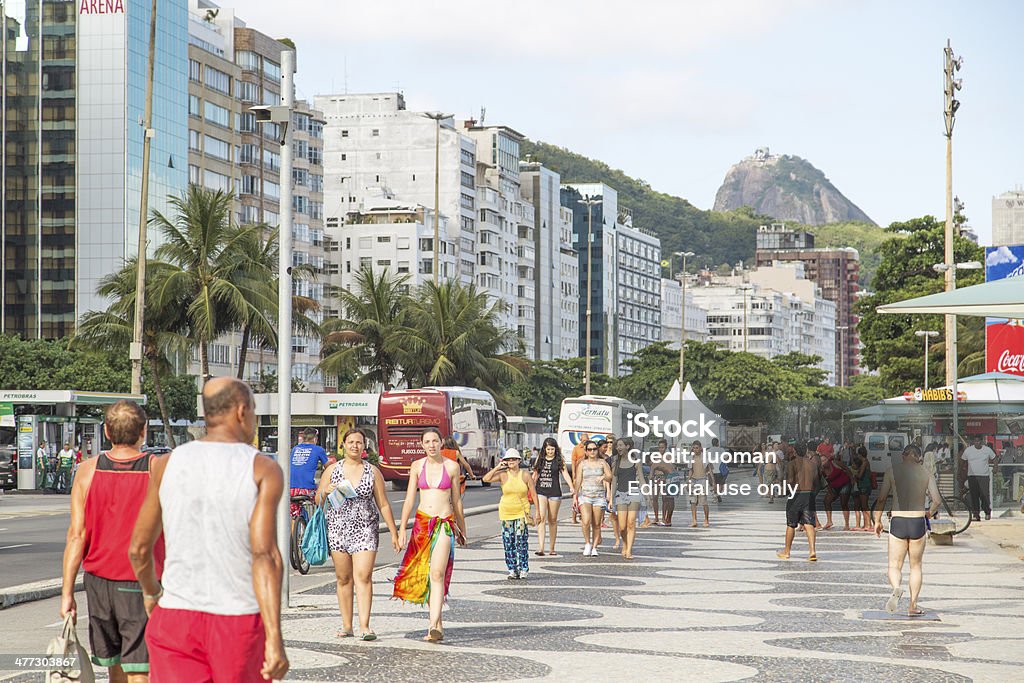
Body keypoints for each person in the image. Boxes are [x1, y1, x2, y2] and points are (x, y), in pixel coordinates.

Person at [129, 377, 289, 683]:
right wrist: (274, 638)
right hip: (238, 618)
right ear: (242, 411)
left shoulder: (166, 464)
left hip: (175, 618)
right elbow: (265, 555)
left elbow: (138, 548)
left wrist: (151, 593)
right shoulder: (261, 469)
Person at [61, 401, 164, 682]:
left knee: (114, 665)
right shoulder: (157, 471)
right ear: (143, 431)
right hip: (141, 580)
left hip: (98, 583)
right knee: (140, 668)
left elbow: (76, 535)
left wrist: (67, 592)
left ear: (106, 431)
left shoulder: (87, 471)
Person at [316, 428, 400, 641]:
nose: (355, 446)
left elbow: (383, 503)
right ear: (343, 445)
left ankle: (364, 626)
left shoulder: (372, 471)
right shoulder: (332, 470)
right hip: (337, 528)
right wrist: (324, 492)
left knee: (363, 576)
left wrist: (394, 532)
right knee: (343, 578)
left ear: (364, 447)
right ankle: (347, 625)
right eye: (351, 442)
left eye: (359, 442)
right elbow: (319, 500)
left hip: (365, 529)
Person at [392, 428, 467, 642]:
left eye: (435, 440)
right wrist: (401, 528)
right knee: (425, 574)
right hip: (422, 524)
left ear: (442, 442)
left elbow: (457, 500)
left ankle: (433, 625)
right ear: (422, 445)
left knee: (436, 573)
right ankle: (438, 623)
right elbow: (409, 499)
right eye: (427, 441)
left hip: (443, 523)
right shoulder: (417, 466)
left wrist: (462, 528)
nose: (432, 445)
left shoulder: (451, 466)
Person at [873, 444, 941, 616]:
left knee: (894, 565)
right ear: (918, 457)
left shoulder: (891, 471)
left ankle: (896, 588)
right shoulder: (926, 473)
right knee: (916, 566)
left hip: (898, 521)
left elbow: (881, 498)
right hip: (917, 520)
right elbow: (937, 501)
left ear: (903, 455)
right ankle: (913, 606)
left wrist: (877, 520)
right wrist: (929, 513)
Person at [484, 448, 536, 579]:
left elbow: (534, 494)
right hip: (506, 512)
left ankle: (524, 567)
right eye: (508, 459)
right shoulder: (503, 475)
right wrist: (498, 466)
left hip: (522, 512)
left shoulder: (525, 475)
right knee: (508, 542)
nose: (511, 461)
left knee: (521, 540)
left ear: (519, 460)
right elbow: (486, 478)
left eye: (513, 459)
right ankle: (512, 569)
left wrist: (539, 512)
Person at [531, 437, 573, 556]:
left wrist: (571, 486)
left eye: (552, 449)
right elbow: (535, 474)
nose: (550, 451)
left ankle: (552, 548)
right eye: (548, 449)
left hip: (554, 492)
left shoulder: (559, 460)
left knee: (552, 520)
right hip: (541, 491)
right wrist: (530, 487)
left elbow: (565, 473)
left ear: (556, 449)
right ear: (544, 449)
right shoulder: (540, 459)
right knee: (541, 518)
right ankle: (541, 547)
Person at [778, 443, 818, 562]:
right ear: (806, 451)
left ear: (794, 451)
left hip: (796, 494)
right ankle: (812, 551)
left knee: (791, 524)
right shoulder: (812, 464)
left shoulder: (792, 463)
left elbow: (790, 480)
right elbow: (816, 481)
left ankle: (787, 551)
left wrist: (784, 486)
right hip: (809, 495)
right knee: (809, 524)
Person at [609, 437, 647, 560]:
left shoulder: (636, 462)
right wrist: (611, 498)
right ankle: (624, 543)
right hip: (621, 494)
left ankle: (629, 549)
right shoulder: (616, 463)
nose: (618, 448)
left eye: (620, 445)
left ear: (627, 447)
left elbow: (641, 479)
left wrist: (647, 495)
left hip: (634, 493)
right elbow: (614, 482)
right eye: (617, 446)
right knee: (622, 526)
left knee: (631, 522)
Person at [573, 440, 612, 556]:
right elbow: (578, 480)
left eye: (594, 449)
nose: (592, 451)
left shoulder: (602, 463)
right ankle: (587, 543)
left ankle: (594, 547)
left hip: (599, 496)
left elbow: (610, 477)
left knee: (596, 523)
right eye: (589, 449)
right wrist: (575, 496)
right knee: (586, 521)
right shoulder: (582, 464)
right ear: (586, 451)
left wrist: (603, 477)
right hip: (585, 496)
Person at [290, 427, 333, 518]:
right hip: (307, 490)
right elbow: (328, 468)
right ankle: (317, 523)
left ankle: (295, 529)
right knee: (321, 499)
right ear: (315, 439)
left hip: (291, 489)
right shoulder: (318, 449)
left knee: (294, 515)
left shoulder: (295, 449)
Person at [961, 434, 996, 521]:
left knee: (984, 495)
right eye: (975, 441)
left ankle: (987, 512)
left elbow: (995, 458)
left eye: (979, 441)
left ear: (982, 441)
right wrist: (962, 472)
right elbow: (963, 461)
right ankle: (976, 514)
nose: (977, 443)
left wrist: (996, 468)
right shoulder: (968, 451)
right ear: (973, 442)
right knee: (974, 495)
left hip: (984, 476)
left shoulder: (987, 450)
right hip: (972, 476)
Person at [821, 454, 853, 531]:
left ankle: (847, 524)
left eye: (825, 460)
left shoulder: (835, 463)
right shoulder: (822, 470)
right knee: (826, 501)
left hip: (845, 484)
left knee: (843, 504)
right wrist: (830, 491)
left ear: (828, 460)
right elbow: (827, 482)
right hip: (834, 487)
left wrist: (852, 480)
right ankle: (829, 521)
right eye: (822, 461)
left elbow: (847, 469)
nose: (824, 462)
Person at [688, 440, 715, 528]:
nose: (695, 450)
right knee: (693, 501)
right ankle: (694, 520)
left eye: (697, 448)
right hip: (693, 480)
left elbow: (710, 469)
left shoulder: (704, 457)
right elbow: (690, 470)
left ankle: (706, 519)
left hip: (702, 480)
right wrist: (688, 482)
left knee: (704, 502)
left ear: (700, 448)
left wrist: (713, 482)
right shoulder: (691, 458)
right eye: (694, 448)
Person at [650, 439, 673, 525]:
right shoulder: (656, 456)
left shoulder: (668, 456)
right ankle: (656, 517)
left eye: (662, 447)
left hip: (665, 478)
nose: (661, 449)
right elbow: (653, 466)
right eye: (659, 447)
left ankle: (664, 517)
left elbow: (670, 467)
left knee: (665, 499)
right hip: (657, 477)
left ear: (665, 447)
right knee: (655, 497)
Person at [852, 445, 872, 531]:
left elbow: (860, 475)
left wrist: (855, 474)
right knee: (864, 506)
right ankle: (866, 524)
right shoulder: (865, 462)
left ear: (860, 455)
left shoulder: (864, 462)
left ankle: (869, 524)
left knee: (864, 506)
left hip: (865, 485)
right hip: (863, 485)